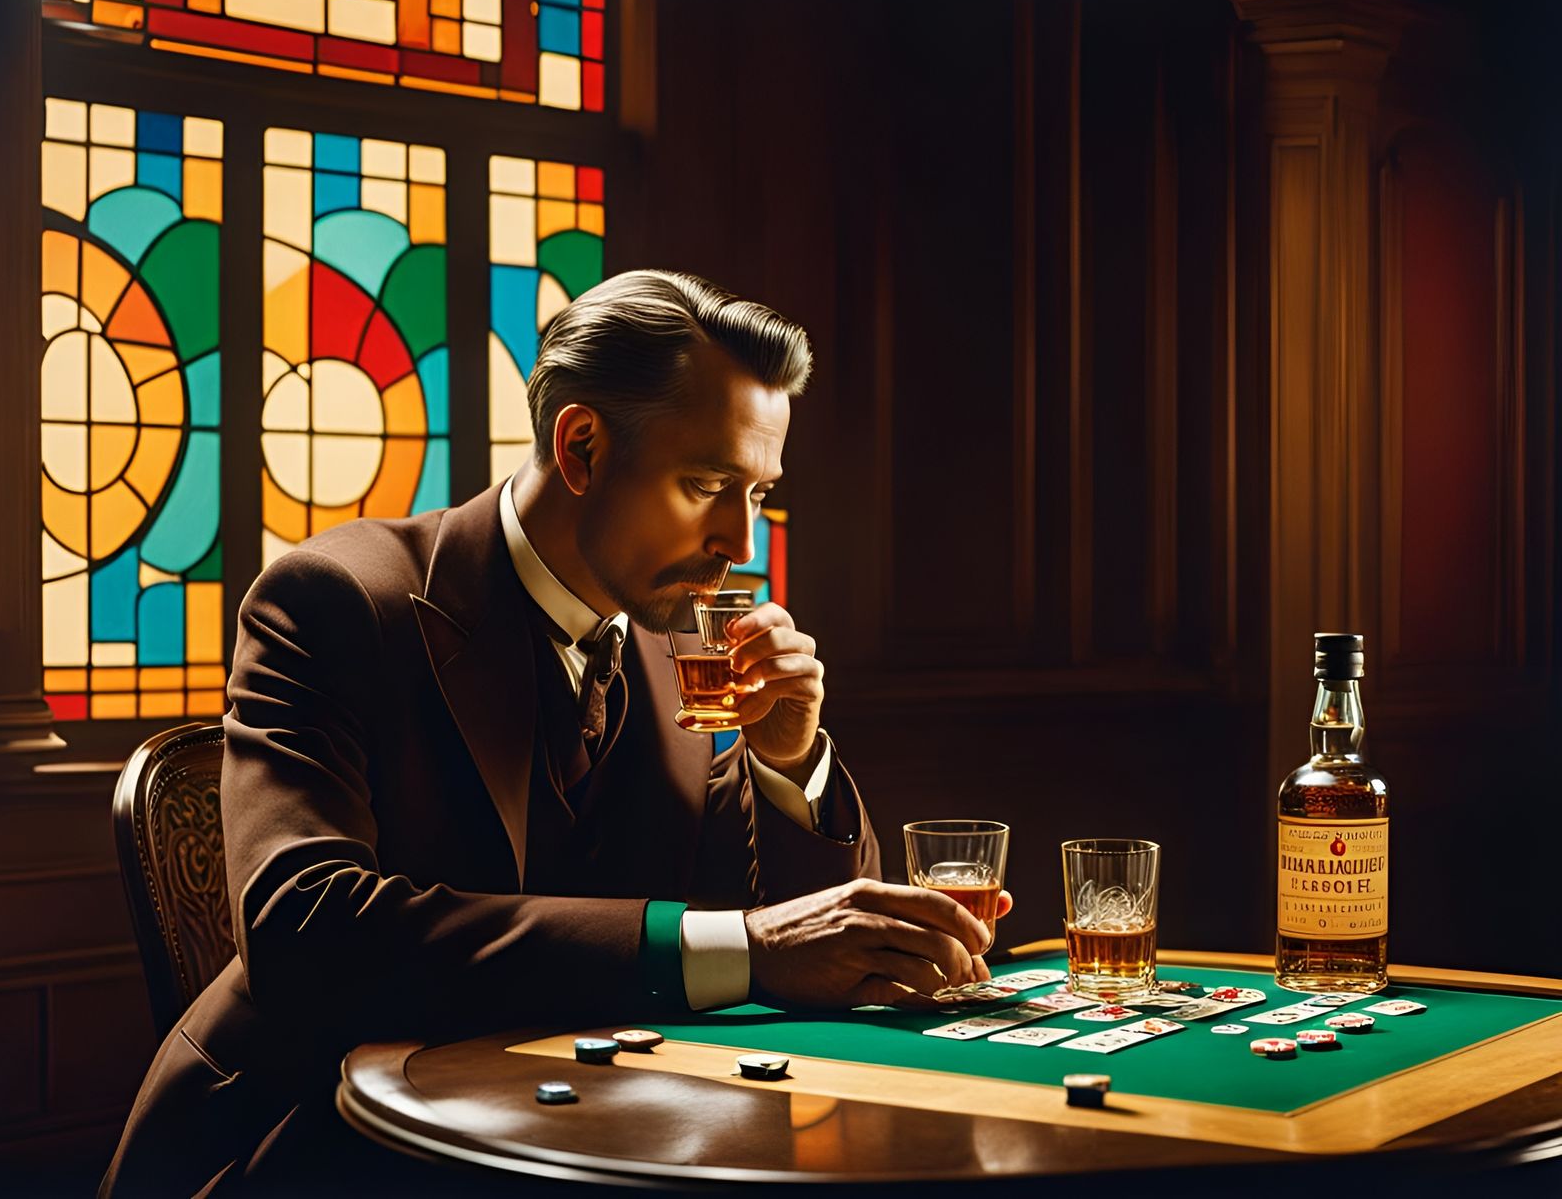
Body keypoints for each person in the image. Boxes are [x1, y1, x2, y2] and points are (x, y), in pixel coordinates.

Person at [101, 271, 1004, 1196]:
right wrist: (743, 943)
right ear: (580, 447)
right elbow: (304, 929)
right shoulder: (335, 600)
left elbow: (786, 938)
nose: (741, 537)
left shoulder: (681, 644)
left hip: (594, 1143)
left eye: (760, 493)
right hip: (316, 1147)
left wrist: (790, 762)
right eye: (707, 484)